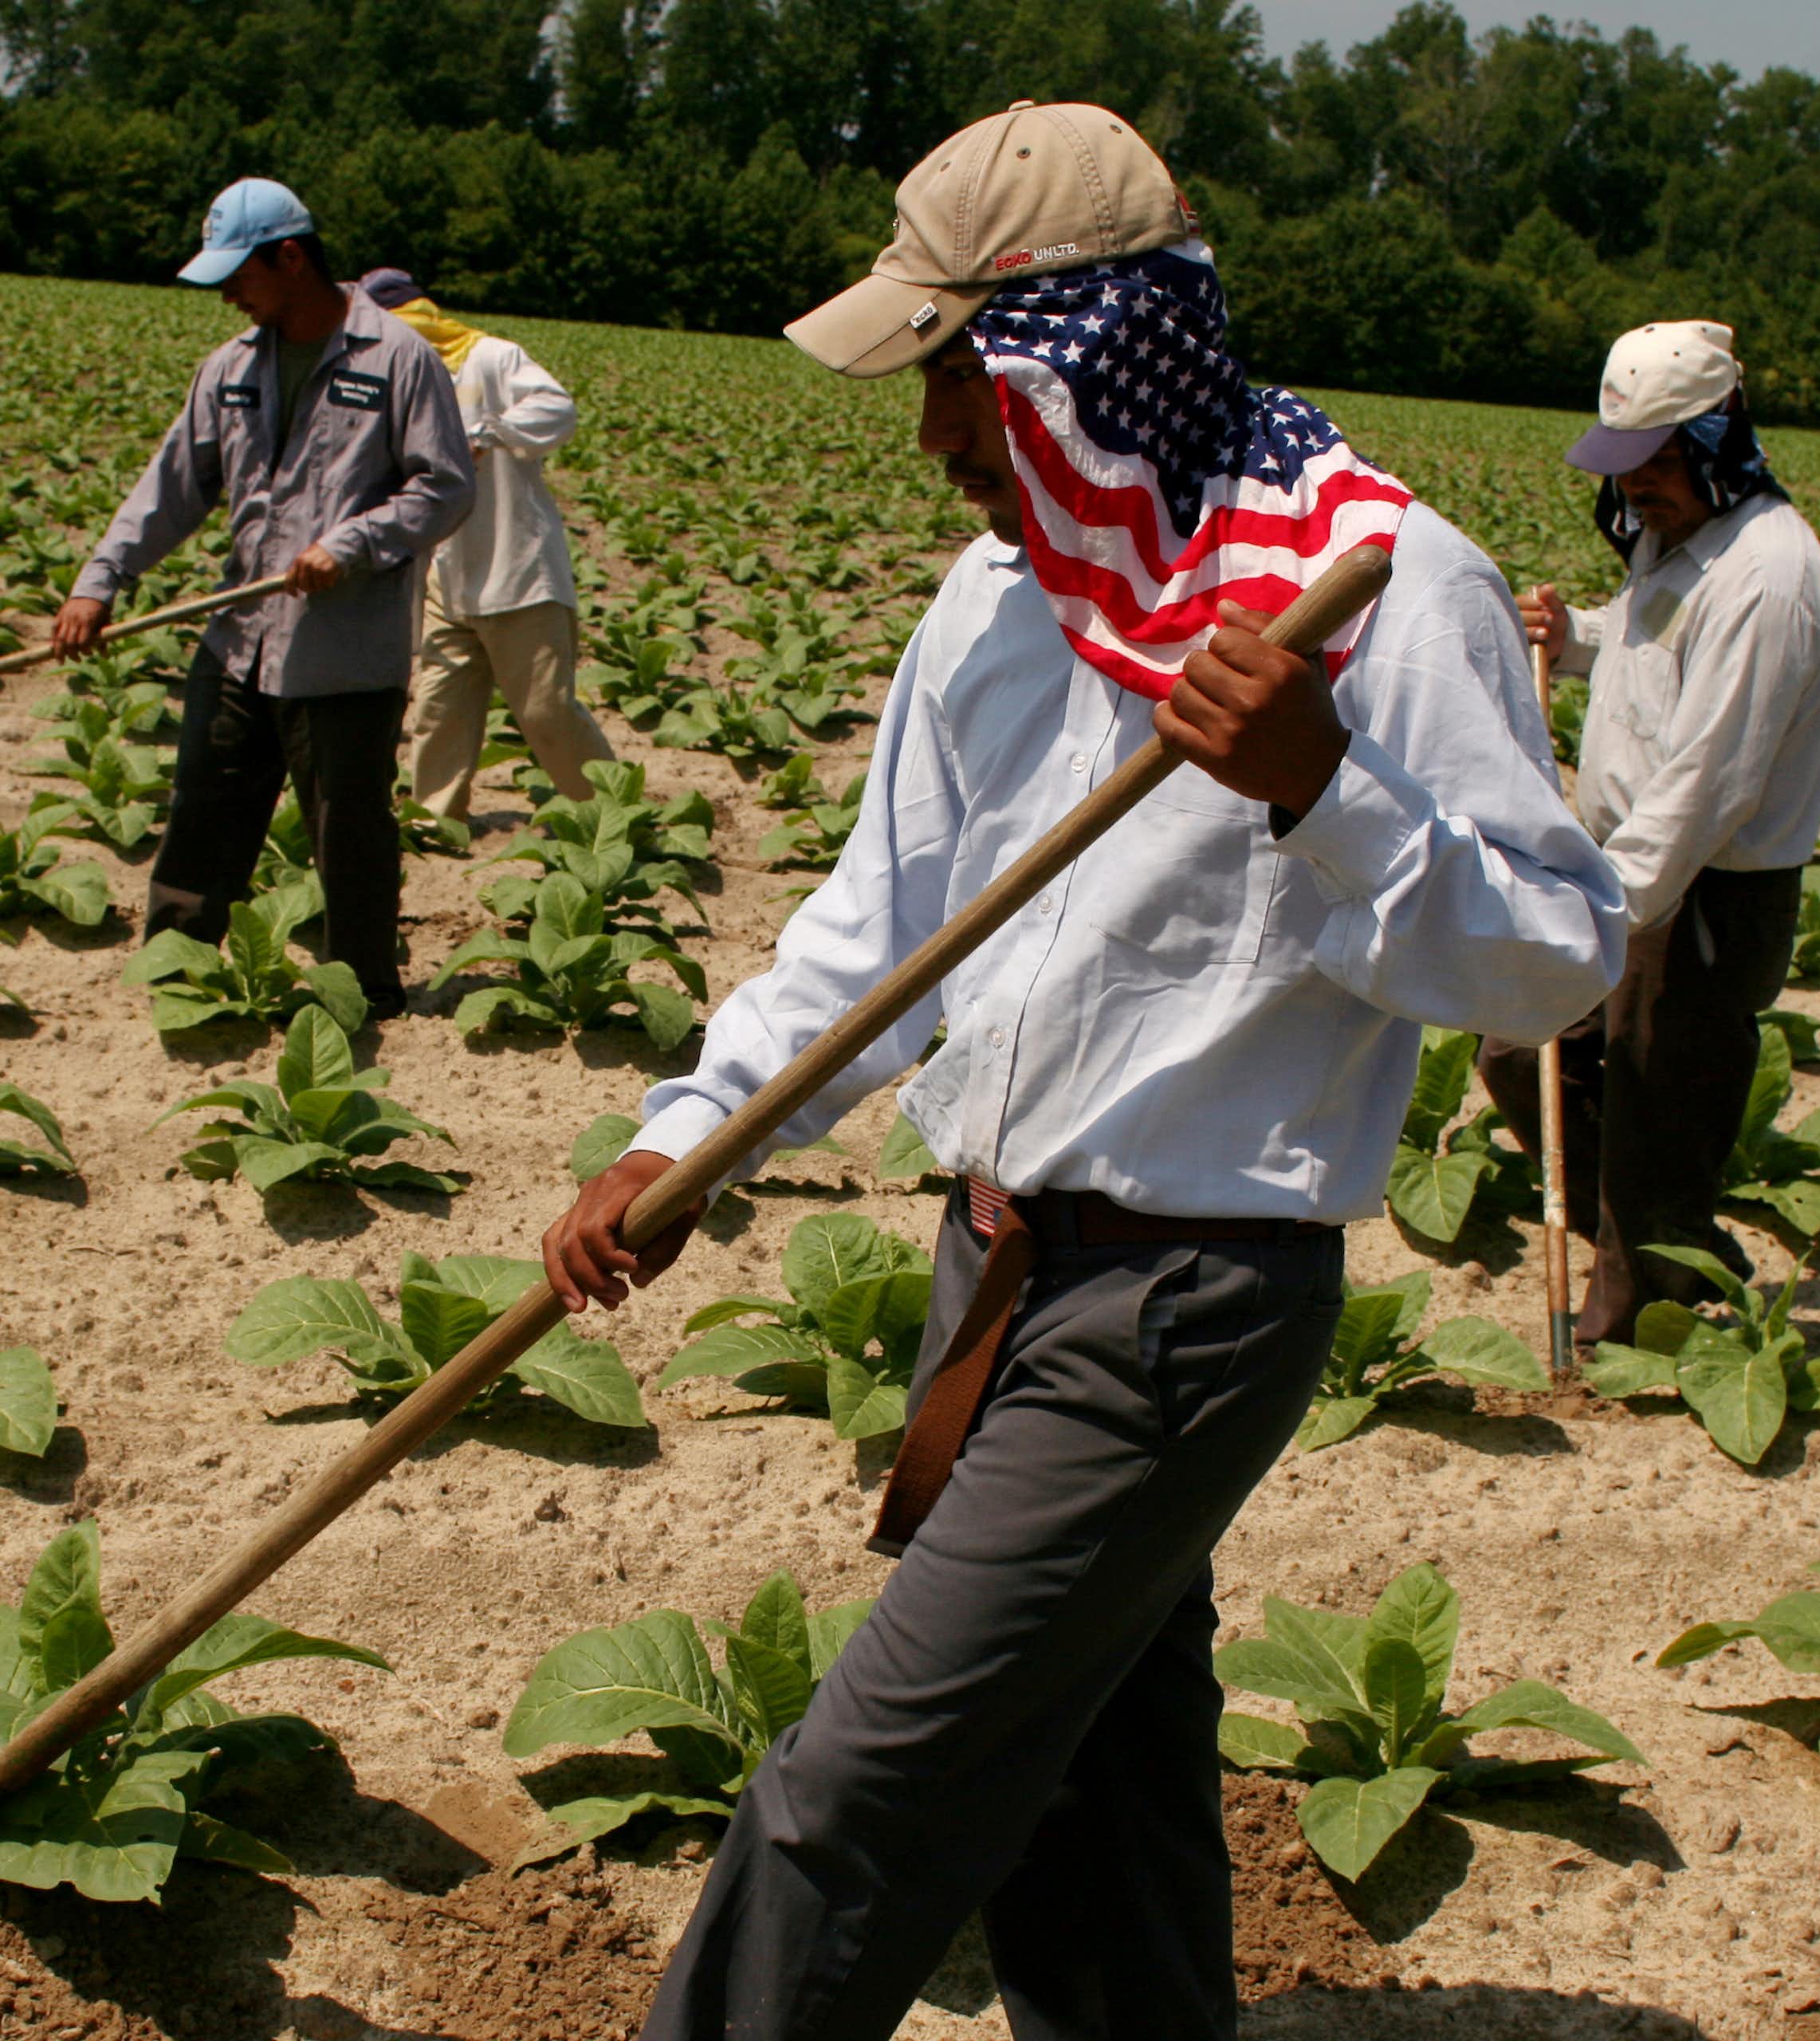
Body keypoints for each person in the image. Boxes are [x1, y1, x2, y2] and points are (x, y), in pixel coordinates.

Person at [544, 101, 1625, 2041]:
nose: (939, 434)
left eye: (959, 377)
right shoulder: (1000, 598)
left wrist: (1323, 791)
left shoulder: (1378, 588)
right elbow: (875, 924)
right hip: (1000, 1260)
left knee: (849, 1799)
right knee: (1087, 1807)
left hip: (1182, 1304)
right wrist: (686, 1131)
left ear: (1080, 357)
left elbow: (1550, 960)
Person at [1482, 320, 1820, 1347]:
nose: (1637, 483)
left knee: (1654, 1092)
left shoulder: (1768, 572)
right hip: (1625, 864)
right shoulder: (1674, 536)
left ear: (1721, 440)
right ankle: (1657, 1231)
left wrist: (1595, 910)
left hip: (1698, 887)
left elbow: (1706, 782)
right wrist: (1579, 635)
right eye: (1623, 462)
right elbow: (1652, 657)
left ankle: (1633, 1317)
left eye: (1659, 460)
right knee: (1516, 1052)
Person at [52, 179, 474, 1020]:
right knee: (204, 807)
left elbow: (446, 487)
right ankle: (174, 975)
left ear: (290, 257)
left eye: (237, 277)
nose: (229, 297)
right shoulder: (231, 368)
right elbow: (172, 489)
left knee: (345, 830)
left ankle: (363, 994)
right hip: (241, 634)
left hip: (345, 652)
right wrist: (100, 583)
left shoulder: (397, 358)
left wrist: (350, 544)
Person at [358, 267, 614, 820]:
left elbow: (557, 410)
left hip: (516, 572)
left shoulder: (491, 358)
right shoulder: (394, 382)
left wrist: (484, 434)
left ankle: (615, 812)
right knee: (436, 709)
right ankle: (435, 821)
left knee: (546, 714)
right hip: (445, 579)